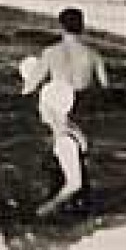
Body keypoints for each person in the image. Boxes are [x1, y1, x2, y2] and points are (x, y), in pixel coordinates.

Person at [23, 7, 109, 97]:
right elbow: (105, 86)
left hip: (60, 99)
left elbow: (32, 82)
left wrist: (24, 94)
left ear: (61, 27)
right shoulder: (93, 55)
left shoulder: (50, 52)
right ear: (82, 27)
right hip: (83, 100)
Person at [34, 79, 88, 217]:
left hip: (69, 211)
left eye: (42, 103)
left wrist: (46, 208)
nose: (39, 107)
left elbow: (75, 184)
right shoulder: (73, 129)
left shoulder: (64, 141)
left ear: (52, 109)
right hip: (77, 205)